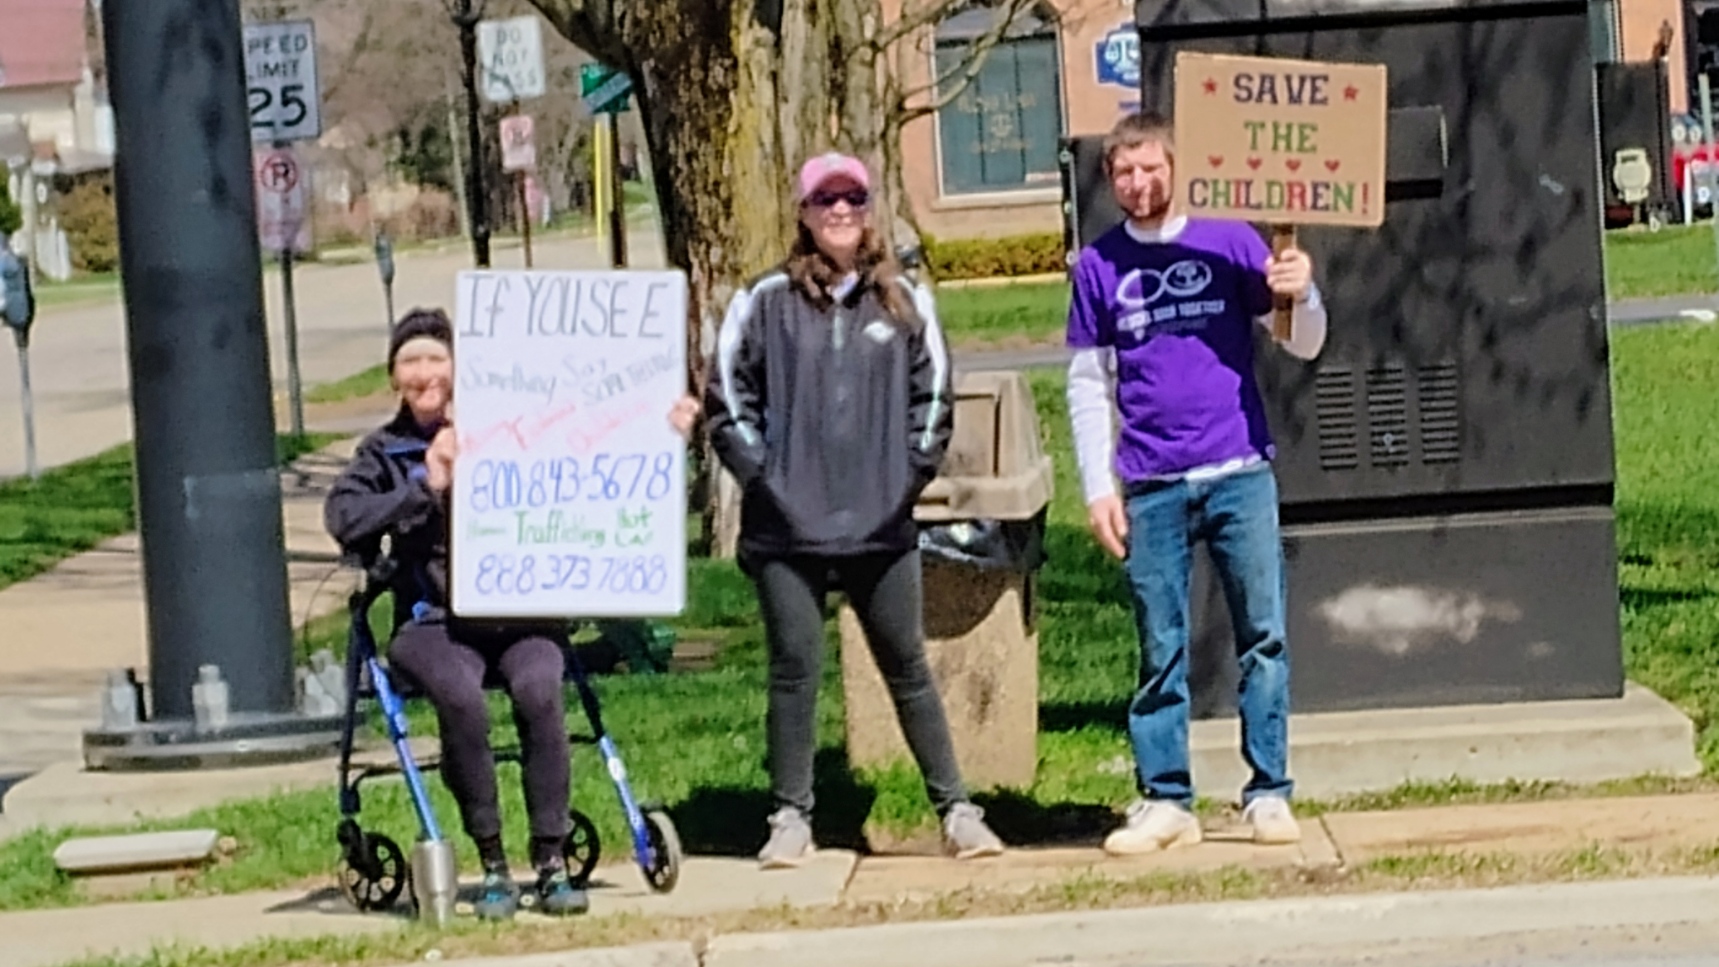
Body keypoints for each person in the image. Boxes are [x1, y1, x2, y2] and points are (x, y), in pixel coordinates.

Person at [324, 308, 701, 919]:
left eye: (435, 359)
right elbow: (343, 518)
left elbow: (605, 445)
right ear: (394, 374)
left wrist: (663, 428)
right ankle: (493, 858)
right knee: (460, 696)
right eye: (409, 361)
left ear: (458, 367)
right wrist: (427, 482)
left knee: (539, 690)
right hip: (433, 621)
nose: (424, 373)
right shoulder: (383, 451)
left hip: (524, 613)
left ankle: (549, 858)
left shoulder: (519, 425)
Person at [703, 152, 1006, 869]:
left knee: (907, 666)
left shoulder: (904, 300)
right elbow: (725, 400)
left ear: (868, 210)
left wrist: (900, 481)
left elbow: (932, 399)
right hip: (786, 531)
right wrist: (766, 481)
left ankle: (957, 811)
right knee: (793, 669)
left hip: (880, 527)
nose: (839, 211)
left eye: (852, 199)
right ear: (804, 214)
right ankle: (789, 816)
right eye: (824, 200)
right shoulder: (764, 300)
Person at [1065, 112, 1329, 855]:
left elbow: (1301, 341)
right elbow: (1088, 383)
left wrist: (1300, 292)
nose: (1137, 183)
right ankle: (1165, 798)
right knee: (1160, 642)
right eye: (1123, 171)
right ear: (1109, 178)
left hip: (1237, 469)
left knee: (1263, 637)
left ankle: (1268, 791)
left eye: (1149, 167)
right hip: (1148, 480)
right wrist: (1096, 486)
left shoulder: (1233, 240)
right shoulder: (1098, 266)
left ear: (1174, 166)